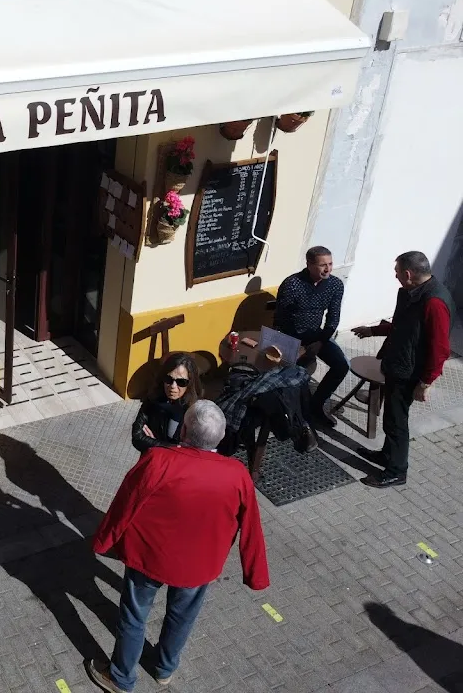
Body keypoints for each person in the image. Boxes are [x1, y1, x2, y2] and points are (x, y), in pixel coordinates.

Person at [87, 401, 269, 693]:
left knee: (134, 616)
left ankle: (121, 677)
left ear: (183, 430)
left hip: (149, 556)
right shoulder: (237, 474)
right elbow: (252, 528)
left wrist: (104, 539)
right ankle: (164, 669)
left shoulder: (158, 460)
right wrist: (255, 573)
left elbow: (126, 501)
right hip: (199, 564)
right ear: (221, 437)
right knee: (182, 617)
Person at [351, 251, 453, 488]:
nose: (395, 276)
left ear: (408, 274)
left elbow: (440, 349)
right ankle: (387, 455)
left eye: (396, 272)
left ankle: (397, 471)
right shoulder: (411, 292)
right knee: (393, 417)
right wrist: (373, 331)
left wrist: (426, 382)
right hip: (397, 365)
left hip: (409, 372)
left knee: (396, 421)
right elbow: (403, 326)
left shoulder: (434, 302)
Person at [273, 245, 349, 427]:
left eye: (330, 264)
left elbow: (333, 318)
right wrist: (297, 347)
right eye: (323, 265)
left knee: (341, 366)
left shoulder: (335, 285)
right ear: (309, 265)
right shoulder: (292, 284)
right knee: (292, 374)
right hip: (291, 335)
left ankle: (317, 404)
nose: (328, 269)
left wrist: (321, 342)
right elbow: (281, 318)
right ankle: (288, 412)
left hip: (316, 335)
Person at [131, 352, 202, 453]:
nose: (173, 386)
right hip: (153, 459)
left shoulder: (196, 411)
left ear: (190, 383)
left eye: (181, 382)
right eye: (168, 379)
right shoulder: (153, 399)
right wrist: (167, 447)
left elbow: (192, 452)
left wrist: (153, 443)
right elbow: (137, 437)